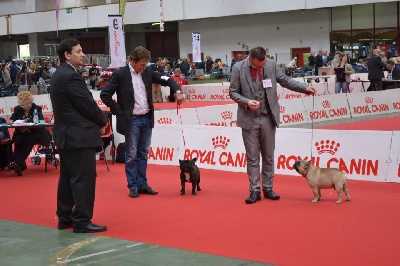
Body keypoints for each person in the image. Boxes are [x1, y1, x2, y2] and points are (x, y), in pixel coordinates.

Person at [229, 46, 316, 204]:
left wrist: (305, 88)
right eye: (257, 66)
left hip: (268, 118)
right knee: (253, 158)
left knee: (268, 156)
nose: (261, 68)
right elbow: (233, 92)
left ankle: (268, 188)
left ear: (266, 59)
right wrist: (247, 102)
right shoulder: (237, 68)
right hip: (249, 118)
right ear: (250, 60)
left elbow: (285, 81)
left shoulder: (272, 65)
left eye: (263, 65)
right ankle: (255, 190)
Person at [100, 46, 184, 199]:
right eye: (141, 65)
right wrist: (119, 112)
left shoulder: (148, 72)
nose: (144, 67)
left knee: (143, 154)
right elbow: (105, 94)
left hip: (146, 117)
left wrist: (177, 90)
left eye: (146, 65)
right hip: (131, 120)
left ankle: (143, 184)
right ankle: (133, 186)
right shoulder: (120, 75)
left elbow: (166, 79)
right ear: (132, 61)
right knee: (131, 155)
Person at [50, 38, 108, 233]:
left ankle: (65, 217)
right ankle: (82, 220)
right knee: (83, 179)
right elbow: (86, 104)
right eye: (78, 51)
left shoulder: (60, 74)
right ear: (67, 55)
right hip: (78, 136)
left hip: (67, 135)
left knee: (67, 179)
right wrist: (102, 120)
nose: (83, 54)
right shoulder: (70, 76)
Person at [8, 91, 51, 176]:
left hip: (35, 132)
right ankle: (20, 164)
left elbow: (40, 120)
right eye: (23, 105)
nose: (26, 107)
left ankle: (18, 163)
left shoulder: (36, 108)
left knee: (30, 140)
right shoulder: (17, 109)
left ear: (31, 101)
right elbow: (12, 119)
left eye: (27, 104)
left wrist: (26, 121)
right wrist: (11, 121)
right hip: (22, 132)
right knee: (18, 140)